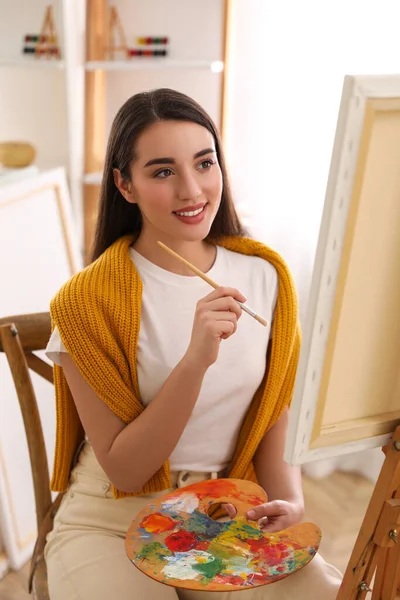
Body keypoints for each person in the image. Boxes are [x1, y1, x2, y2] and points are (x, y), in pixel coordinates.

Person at [44, 88, 342, 599]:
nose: (192, 189)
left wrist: (289, 499)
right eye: (163, 171)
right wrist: (195, 361)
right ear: (125, 184)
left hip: (220, 513)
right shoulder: (84, 302)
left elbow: (273, 411)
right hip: (112, 518)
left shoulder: (267, 276)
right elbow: (127, 469)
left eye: (204, 163)